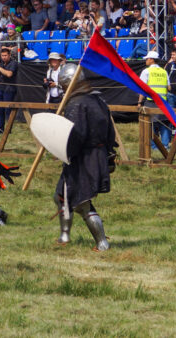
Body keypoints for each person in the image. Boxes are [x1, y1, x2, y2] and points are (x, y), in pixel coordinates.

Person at [52, 64, 117, 251]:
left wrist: (65, 151)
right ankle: (64, 235)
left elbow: (76, 134)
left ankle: (102, 243)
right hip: (96, 155)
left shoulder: (76, 103)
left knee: (82, 201)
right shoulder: (98, 100)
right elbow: (110, 131)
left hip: (83, 157)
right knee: (61, 196)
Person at [138, 51, 172, 150]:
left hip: (151, 101)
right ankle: (165, 146)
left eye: (147, 58)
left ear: (152, 60)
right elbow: (169, 87)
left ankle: (153, 146)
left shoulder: (146, 71)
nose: (146, 60)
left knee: (150, 124)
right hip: (163, 101)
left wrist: (140, 102)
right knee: (164, 123)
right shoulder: (164, 71)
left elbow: (142, 88)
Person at [0, 47, 18, 134]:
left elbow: (9, 74)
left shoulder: (13, 63)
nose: (4, 57)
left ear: (9, 55)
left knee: (8, 110)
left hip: (10, 88)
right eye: (2, 56)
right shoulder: (1, 63)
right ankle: (0, 128)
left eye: (5, 55)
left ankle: (8, 129)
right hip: (1, 88)